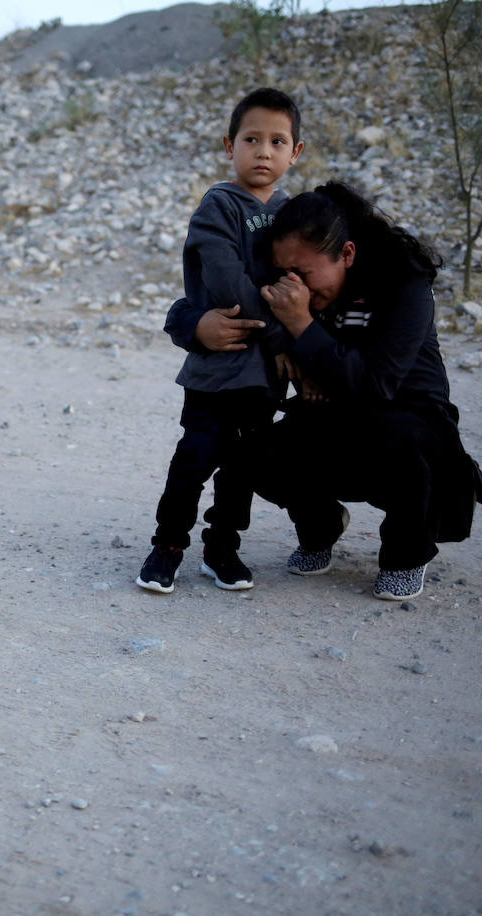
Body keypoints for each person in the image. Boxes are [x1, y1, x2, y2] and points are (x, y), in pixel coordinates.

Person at [249, 181, 482, 600]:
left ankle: (406, 554)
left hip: (412, 421)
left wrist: (301, 327)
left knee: (399, 438)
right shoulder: (299, 292)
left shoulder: (404, 282)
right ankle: (321, 527)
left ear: (346, 254)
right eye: (284, 275)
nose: (296, 289)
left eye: (304, 274)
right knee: (257, 450)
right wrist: (278, 340)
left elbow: (378, 384)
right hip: (339, 414)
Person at [135, 88, 304, 594]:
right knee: (194, 458)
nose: (264, 151)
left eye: (278, 141)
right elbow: (230, 284)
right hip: (217, 366)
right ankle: (167, 546)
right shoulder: (218, 207)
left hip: (264, 377)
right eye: (252, 139)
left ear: (295, 152)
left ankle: (222, 549)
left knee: (241, 469)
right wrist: (283, 334)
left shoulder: (296, 212)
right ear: (229, 146)